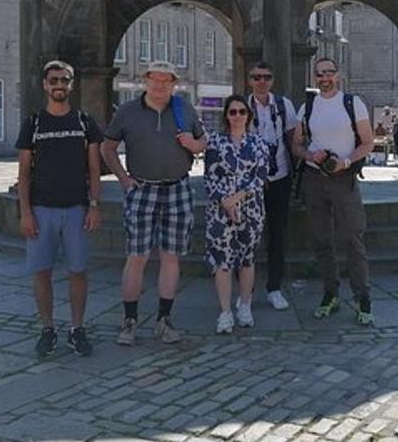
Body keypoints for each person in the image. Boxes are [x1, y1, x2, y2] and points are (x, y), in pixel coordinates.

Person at [101, 60, 206, 345]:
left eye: (166, 80)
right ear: (145, 81)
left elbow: (203, 140)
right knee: (136, 257)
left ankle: (164, 319)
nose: (160, 85)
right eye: (155, 80)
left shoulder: (183, 108)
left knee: (171, 257)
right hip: (142, 188)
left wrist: (194, 145)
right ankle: (129, 320)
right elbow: (107, 147)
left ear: (174, 83)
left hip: (177, 188)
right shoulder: (127, 112)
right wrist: (123, 180)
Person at [15, 60, 102, 358]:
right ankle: (48, 328)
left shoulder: (84, 122)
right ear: (44, 84)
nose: (59, 85)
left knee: (78, 270)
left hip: (77, 208)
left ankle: (77, 328)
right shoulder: (33, 123)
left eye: (65, 80)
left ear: (72, 84)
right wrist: (25, 212)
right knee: (42, 272)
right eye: (54, 80)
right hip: (41, 209)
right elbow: (24, 172)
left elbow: (93, 168)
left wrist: (94, 205)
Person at [292, 57, 376, 325]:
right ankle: (331, 293)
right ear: (314, 77)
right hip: (315, 179)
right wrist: (310, 154)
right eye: (319, 73)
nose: (324, 77)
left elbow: (368, 142)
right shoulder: (307, 107)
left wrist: (347, 161)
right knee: (321, 241)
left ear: (337, 75)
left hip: (345, 179)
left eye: (329, 72)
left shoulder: (353, 103)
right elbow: (296, 145)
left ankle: (363, 296)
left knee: (353, 239)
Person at [204, 95, 269, 333]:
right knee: (223, 261)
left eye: (242, 112)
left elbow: (260, 175)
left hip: (250, 207)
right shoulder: (215, 142)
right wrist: (225, 201)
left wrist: (237, 198)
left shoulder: (258, 143)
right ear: (226, 116)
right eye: (233, 112)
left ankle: (245, 306)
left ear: (249, 116)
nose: (238, 116)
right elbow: (210, 177)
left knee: (247, 258)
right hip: (220, 210)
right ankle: (225, 312)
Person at [246, 61, 299, 310]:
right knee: (247, 236)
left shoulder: (283, 105)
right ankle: (245, 290)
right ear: (250, 80)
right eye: (257, 77)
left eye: (266, 77)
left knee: (278, 234)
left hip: (280, 178)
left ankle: (274, 287)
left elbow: (292, 137)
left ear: (273, 80)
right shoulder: (242, 107)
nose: (262, 81)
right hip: (250, 181)